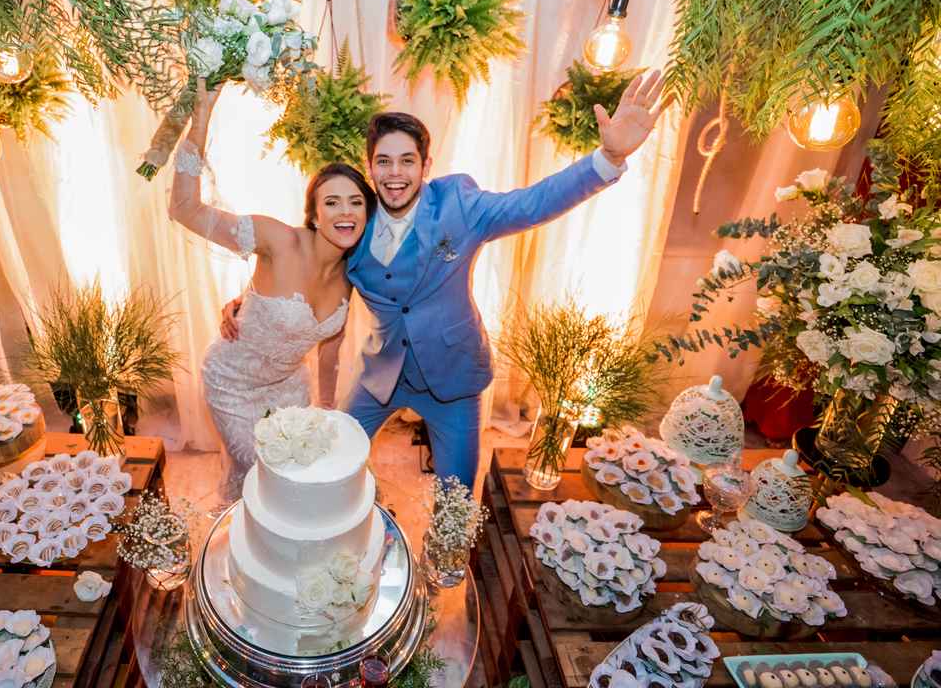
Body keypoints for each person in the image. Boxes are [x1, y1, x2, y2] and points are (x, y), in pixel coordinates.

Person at [220, 70, 675, 488]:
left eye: (406, 161)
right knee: (333, 460)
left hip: (455, 380)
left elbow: (532, 202)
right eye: (383, 162)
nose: (395, 174)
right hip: (382, 375)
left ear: (425, 164)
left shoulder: (460, 205)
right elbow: (308, 263)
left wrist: (607, 158)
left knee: (457, 495)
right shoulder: (353, 221)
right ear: (370, 165)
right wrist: (249, 301)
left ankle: (446, 568)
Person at [168, 79, 377, 485]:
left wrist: (328, 412)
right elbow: (185, 209)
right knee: (264, 475)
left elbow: (329, 354)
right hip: (233, 383)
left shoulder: (355, 275)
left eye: (355, 202)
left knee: (308, 472)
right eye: (331, 202)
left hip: (291, 386)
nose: (345, 212)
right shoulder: (276, 239)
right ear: (314, 215)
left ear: (367, 215)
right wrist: (200, 121)